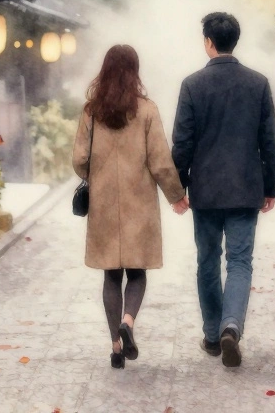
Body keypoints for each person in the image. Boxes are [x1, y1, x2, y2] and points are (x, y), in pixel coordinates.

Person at [172, 12, 275, 368]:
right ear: (235, 40)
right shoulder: (258, 83)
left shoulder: (192, 85)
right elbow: (269, 141)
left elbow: (182, 143)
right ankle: (232, 324)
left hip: (205, 190)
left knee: (207, 261)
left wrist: (177, 188)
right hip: (246, 188)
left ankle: (213, 335)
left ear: (208, 42)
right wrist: (271, 186)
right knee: (240, 261)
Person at [73, 44, 189, 370]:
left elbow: (79, 160)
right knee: (136, 272)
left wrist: (94, 174)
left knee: (112, 275)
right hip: (140, 204)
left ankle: (114, 347)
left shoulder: (91, 111)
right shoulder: (147, 110)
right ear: (135, 71)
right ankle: (129, 322)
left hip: (104, 204)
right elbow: (161, 163)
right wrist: (176, 195)